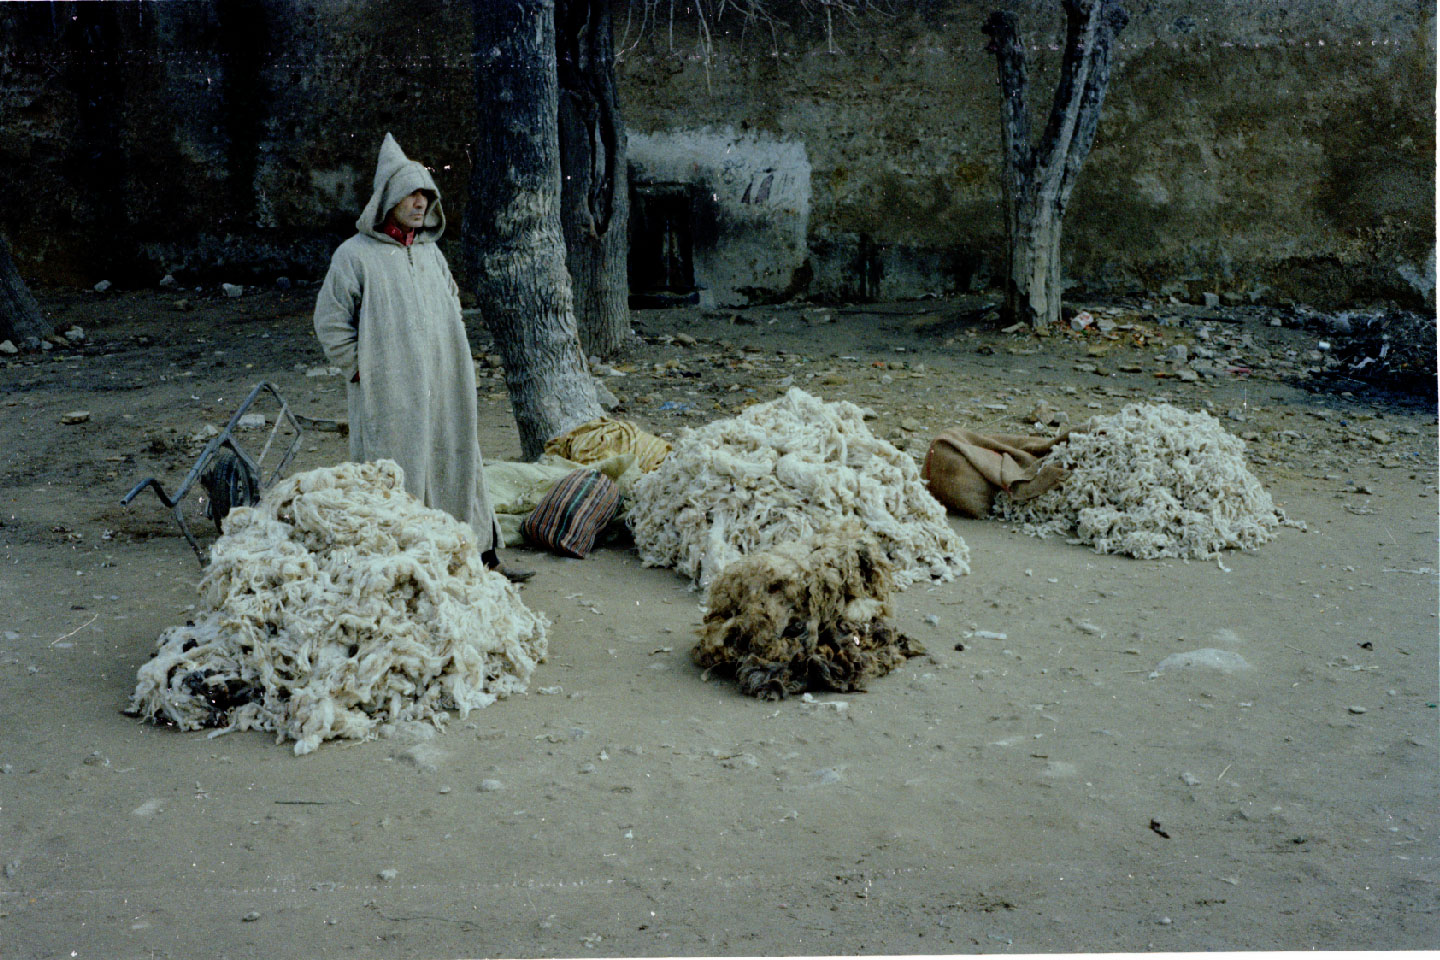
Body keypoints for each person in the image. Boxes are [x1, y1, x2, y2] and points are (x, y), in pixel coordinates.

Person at [313, 133, 532, 582]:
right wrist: (361, 368)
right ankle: (406, 566)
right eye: (411, 194)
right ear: (388, 198)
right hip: (388, 387)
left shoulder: (431, 254)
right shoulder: (355, 257)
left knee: (456, 457)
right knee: (396, 469)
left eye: (426, 194)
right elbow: (331, 320)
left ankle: (478, 558)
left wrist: (452, 361)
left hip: (443, 379)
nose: (420, 202)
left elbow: (450, 302)